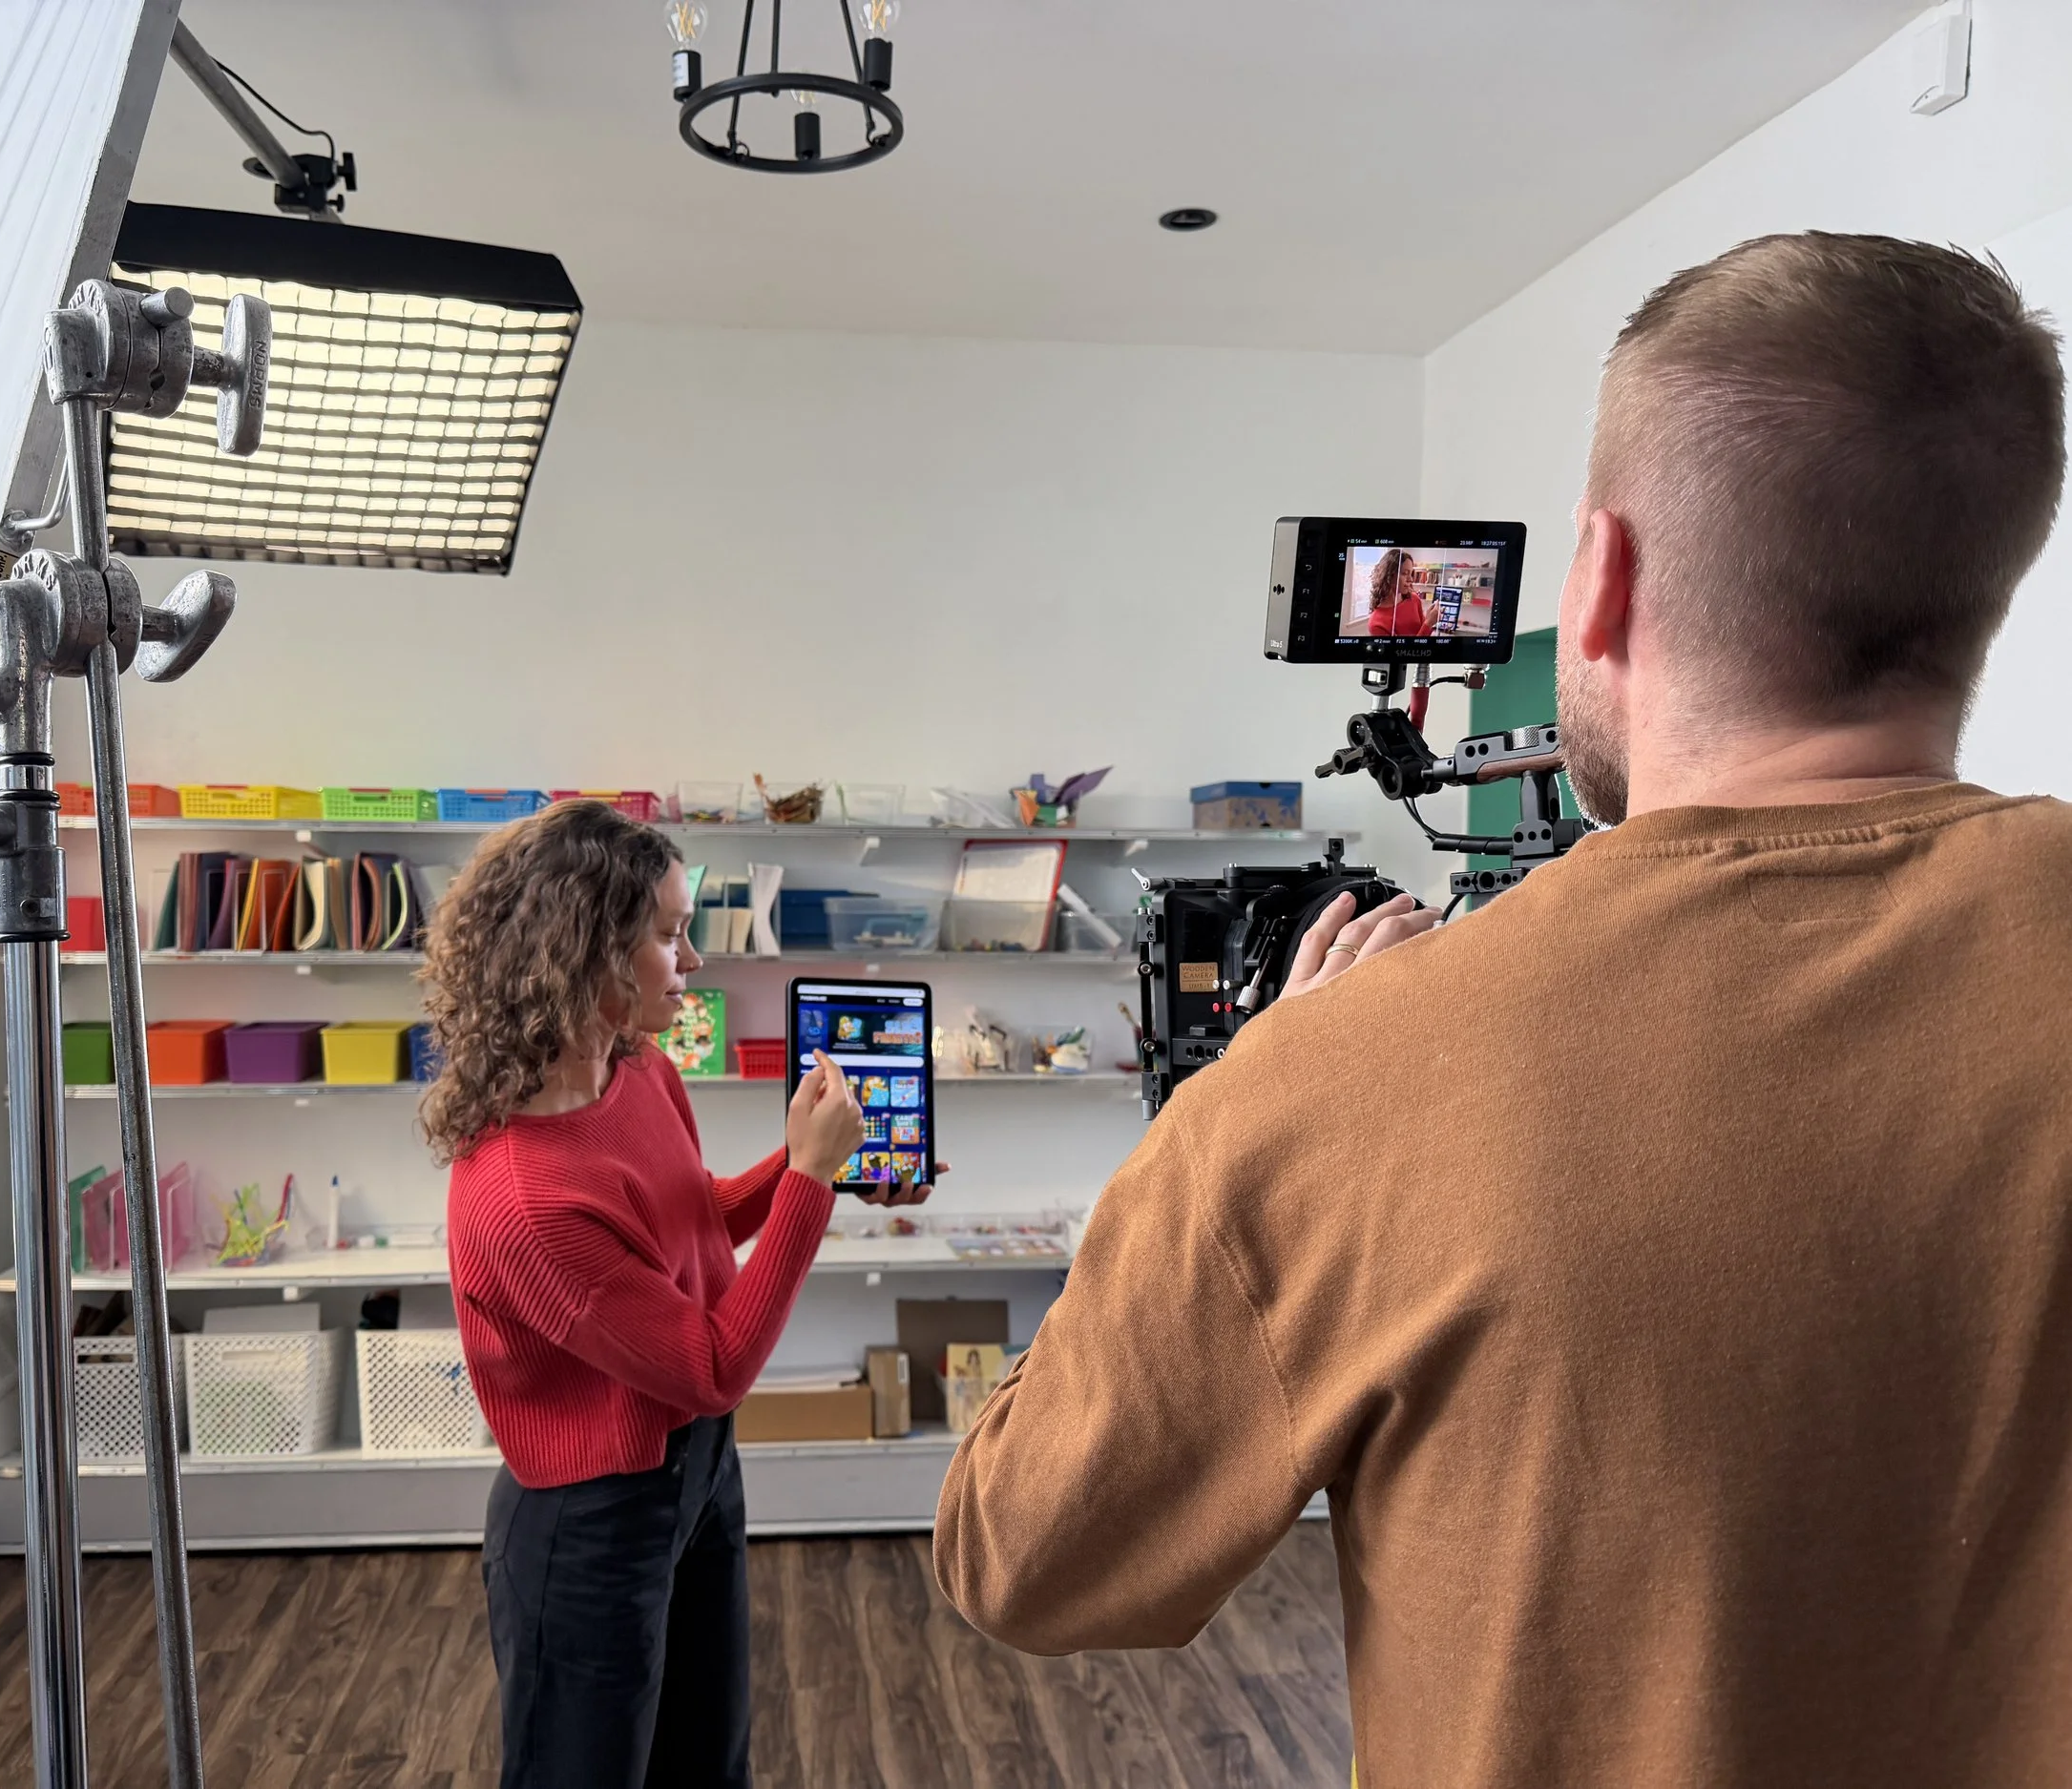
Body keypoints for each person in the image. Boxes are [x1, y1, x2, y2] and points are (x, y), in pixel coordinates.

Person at [933, 233, 2072, 1787]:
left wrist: (1249, 1084)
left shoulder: (1341, 1082)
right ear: (1988, 584)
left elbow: (1023, 1555)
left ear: (1598, 578)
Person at [420, 801, 932, 1788]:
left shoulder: (637, 1069)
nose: (691, 958)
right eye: (666, 934)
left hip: (696, 1476)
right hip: (591, 1518)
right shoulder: (526, 1200)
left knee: (708, 1762)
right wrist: (810, 1186)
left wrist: (807, 1162)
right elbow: (709, 1365)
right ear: (585, 954)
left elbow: (690, 1214)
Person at [1361, 546, 1434, 637]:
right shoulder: (1376, 622)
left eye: (1411, 574)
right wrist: (1429, 623)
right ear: (1389, 575)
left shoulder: (1415, 599)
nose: (1410, 579)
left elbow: (1424, 632)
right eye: (1404, 573)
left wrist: (1429, 620)